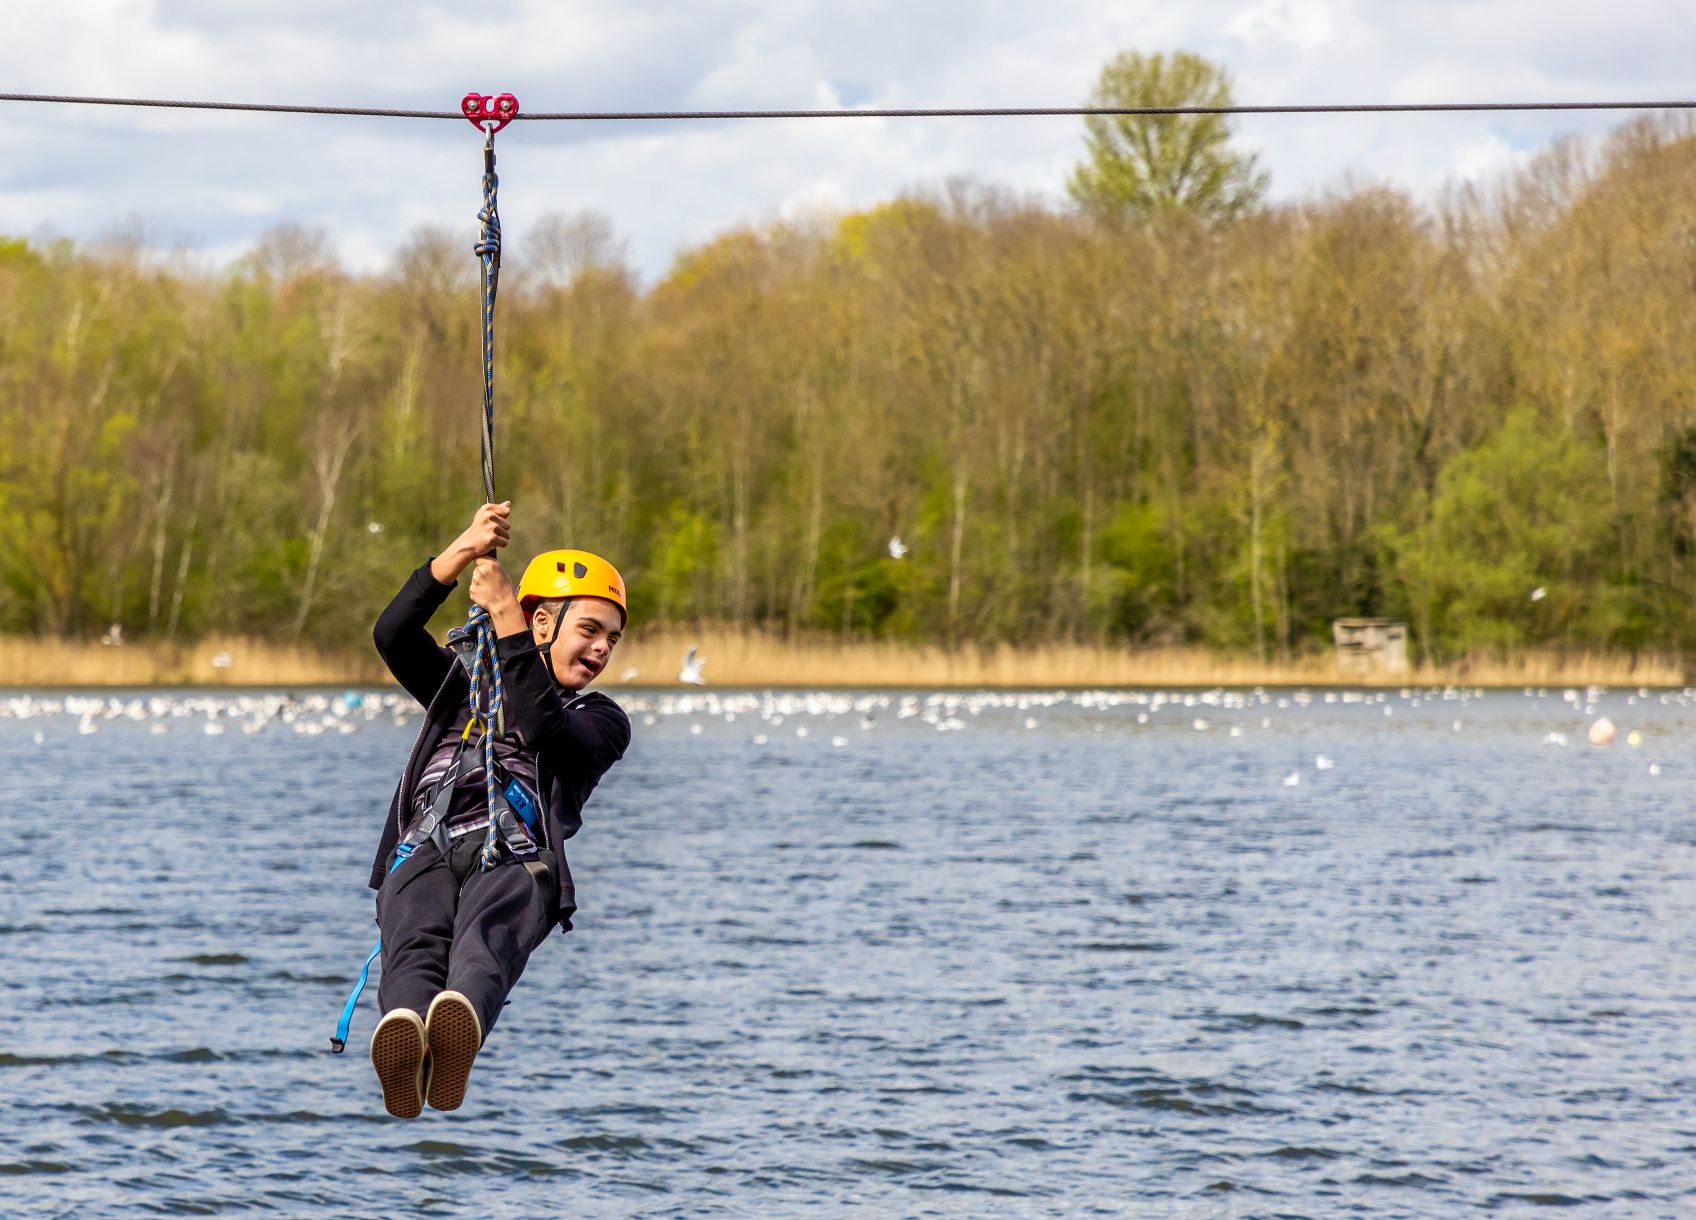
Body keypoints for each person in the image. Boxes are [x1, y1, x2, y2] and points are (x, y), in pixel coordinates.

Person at [366, 501, 631, 1118]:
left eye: (612, 639)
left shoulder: (600, 720)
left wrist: (506, 613)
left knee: (483, 943)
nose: (601, 650)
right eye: (589, 629)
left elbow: (538, 722)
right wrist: (460, 552)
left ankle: (459, 1030)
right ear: (544, 624)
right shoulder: (460, 686)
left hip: (511, 860)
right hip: (425, 849)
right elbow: (393, 634)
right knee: (413, 943)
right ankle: (406, 1036)